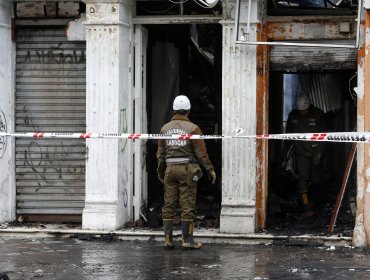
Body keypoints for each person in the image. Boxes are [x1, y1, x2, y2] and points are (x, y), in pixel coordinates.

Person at [157, 95, 216, 250]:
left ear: (174, 109)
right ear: (188, 110)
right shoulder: (193, 128)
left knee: (169, 204)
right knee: (187, 204)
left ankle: (168, 240)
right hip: (187, 170)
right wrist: (210, 170)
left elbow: (161, 154)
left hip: (170, 170)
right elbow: (201, 154)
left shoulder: (164, 129)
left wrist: (160, 170)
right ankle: (187, 240)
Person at [285, 94, 325, 215]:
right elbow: (287, 135)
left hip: (315, 153)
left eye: (304, 110)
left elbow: (324, 135)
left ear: (309, 106)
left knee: (315, 178)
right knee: (302, 178)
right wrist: (284, 153)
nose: (302, 113)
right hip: (301, 153)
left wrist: (319, 153)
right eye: (300, 111)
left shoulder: (318, 114)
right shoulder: (293, 116)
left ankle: (315, 202)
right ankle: (306, 205)